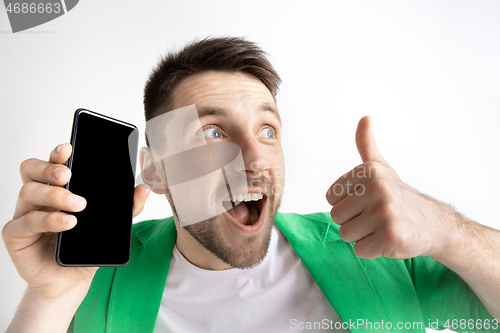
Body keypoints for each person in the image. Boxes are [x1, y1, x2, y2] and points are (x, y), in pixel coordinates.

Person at [3, 37, 499, 333]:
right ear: (154, 169)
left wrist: (446, 230)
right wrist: (49, 298)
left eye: (267, 130)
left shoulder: (375, 252)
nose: (256, 157)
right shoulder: (96, 273)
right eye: (213, 132)